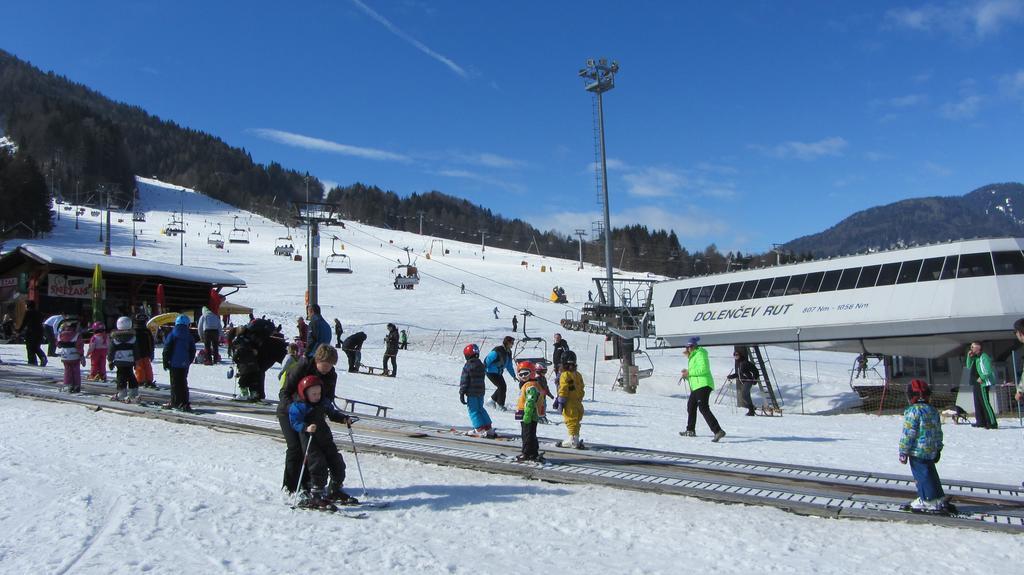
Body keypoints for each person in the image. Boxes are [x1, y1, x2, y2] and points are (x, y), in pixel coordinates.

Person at [278, 345, 351, 498]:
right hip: (290, 411)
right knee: (295, 448)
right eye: (325, 365)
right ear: (317, 360)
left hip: (312, 415)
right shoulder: (303, 366)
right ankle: (291, 486)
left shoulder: (331, 375)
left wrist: (330, 413)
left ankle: (309, 484)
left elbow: (328, 398)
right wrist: (295, 408)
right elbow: (284, 391)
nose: (327, 369)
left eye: (331, 365)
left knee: (311, 450)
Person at [288, 374, 357, 505]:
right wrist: (306, 427)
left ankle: (335, 489)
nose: (317, 396)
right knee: (318, 465)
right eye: (313, 394)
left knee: (337, 462)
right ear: (304, 393)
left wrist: (343, 418)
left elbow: (332, 414)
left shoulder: (323, 402)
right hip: (310, 439)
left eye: (319, 393)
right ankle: (316, 493)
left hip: (325, 437)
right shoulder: (298, 406)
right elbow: (294, 422)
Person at [899, 378, 948, 512]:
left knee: (922, 475)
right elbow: (938, 431)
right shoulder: (932, 410)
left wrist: (903, 451)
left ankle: (927, 499)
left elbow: (908, 433)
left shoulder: (912, 411)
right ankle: (938, 496)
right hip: (931, 449)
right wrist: (938, 447)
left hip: (917, 451)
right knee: (931, 473)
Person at [679, 336, 726, 442]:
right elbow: (696, 371)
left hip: (703, 384)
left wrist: (689, 373)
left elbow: (703, 369)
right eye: (686, 347)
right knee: (691, 406)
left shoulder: (700, 354)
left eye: (690, 346)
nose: (688, 349)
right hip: (696, 386)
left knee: (703, 408)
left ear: (694, 346)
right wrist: (687, 375)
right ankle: (690, 430)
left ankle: (718, 430)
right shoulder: (693, 356)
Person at [459, 343, 496, 438]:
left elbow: (464, 379)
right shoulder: (480, 364)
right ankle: (488, 428)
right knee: (480, 408)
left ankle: (479, 429)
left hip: (472, 392)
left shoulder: (468, 365)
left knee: (473, 410)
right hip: (481, 392)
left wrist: (462, 392)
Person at [162, 314, 197, 411]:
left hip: (174, 363)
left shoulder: (173, 334)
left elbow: (167, 349)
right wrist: (189, 361)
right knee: (183, 382)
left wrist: (165, 361)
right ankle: (185, 402)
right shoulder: (189, 336)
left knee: (174, 383)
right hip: (184, 363)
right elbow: (192, 350)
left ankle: (175, 402)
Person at [553, 350, 586, 449]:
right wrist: (579, 398)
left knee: (570, 420)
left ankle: (572, 439)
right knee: (576, 420)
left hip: (569, 402)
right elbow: (582, 388)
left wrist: (561, 402)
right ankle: (575, 437)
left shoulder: (565, 375)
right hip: (578, 402)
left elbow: (563, 388)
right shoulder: (577, 374)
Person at [514, 360, 544, 463]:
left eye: (525, 373)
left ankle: (526, 453)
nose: (523, 376)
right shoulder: (528, 384)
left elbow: (531, 401)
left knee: (527, 434)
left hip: (529, 414)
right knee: (530, 434)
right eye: (520, 374)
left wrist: (527, 414)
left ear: (531, 373)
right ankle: (533, 452)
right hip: (527, 414)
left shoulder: (531, 385)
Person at [964, 341, 998, 429]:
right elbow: (968, 366)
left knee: (985, 403)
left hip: (983, 382)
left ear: (978, 348)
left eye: (972, 347)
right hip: (975, 382)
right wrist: (969, 357)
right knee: (977, 403)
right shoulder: (975, 358)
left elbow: (988, 370)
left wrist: (982, 377)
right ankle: (981, 421)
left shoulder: (984, 356)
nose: (971, 349)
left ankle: (992, 422)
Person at [108, 316, 139, 402]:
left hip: (119, 361)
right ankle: (133, 391)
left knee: (121, 376)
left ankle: (122, 392)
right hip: (130, 360)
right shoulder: (133, 338)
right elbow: (136, 351)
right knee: (130, 374)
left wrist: (110, 360)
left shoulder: (115, 339)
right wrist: (137, 361)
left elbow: (111, 350)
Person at [484, 336, 516, 410]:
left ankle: (491, 401)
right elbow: (487, 360)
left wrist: (513, 375)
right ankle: (500, 405)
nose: (512, 345)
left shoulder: (509, 352)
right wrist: (483, 369)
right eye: (512, 343)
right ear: (507, 343)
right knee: (502, 386)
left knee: (502, 386)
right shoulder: (497, 350)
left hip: (498, 373)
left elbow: (509, 365)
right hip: (490, 372)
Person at [56, 316, 86, 393]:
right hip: (74, 355)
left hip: (65, 355)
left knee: (67, 370)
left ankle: (67, 384)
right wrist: (81, 355)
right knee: (76, 370)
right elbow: (79, 346)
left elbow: (58, 345)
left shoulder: (61, 335)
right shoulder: (77, 335)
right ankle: (76, 385)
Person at [726, 348, 759, 416]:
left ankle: (751, 409)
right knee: (746, 395)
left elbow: (755, 370)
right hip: (744, 381)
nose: (736, 356)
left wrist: (755, 378)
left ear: (740, 355)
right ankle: (751, 409)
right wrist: (731, 376)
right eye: (734, 355)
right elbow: (739, 374)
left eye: (737, 355)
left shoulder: (745, 362)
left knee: (744, 394)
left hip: (748, 381)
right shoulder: (738, 364)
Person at [17, 300, 46, 366]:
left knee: (30, 347)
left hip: (31, 332)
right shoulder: (39, 313)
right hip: (40, 332)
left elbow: (24, 323)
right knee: (36, 347)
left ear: (28, 305)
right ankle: (43, 357)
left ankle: (32, 361)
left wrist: (19, 331)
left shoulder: (28, 312)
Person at [133, 313, 156, 388]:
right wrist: (151, 352)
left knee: (139, 366)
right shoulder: (147, 331)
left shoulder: (133, 331)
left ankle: (140, 380)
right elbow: (151, 343)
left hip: (137, 352)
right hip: (146, 352)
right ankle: (148, 379)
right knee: (147, 366)